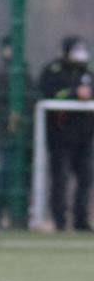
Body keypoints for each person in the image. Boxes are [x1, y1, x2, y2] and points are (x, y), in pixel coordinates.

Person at [37, 36, 93, 231]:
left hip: (85, 137)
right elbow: (47, 93)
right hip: (60, 138)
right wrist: (73, 94)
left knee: (86, 179)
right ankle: (60, 221)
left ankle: (81, 221)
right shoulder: (53, 71)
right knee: (60, 179)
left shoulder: (88, 72)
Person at [0, 35, 34, 229]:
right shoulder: (0, 74)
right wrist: (9, 117)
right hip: (6, 136)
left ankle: (20, 218)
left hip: (26, 136)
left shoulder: (26, 73)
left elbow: (32, 100)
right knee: (6, 176)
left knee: (23, 177)